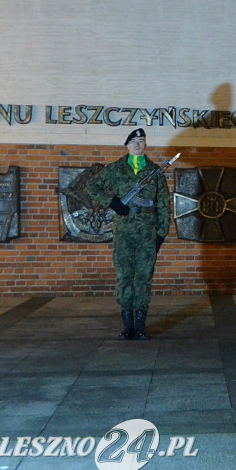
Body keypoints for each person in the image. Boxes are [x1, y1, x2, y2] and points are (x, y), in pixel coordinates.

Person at [87, 128, 171, 340]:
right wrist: (112, 202)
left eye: (141, 140)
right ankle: (128, 326)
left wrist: (161, 233)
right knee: (124, 275)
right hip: (123, 229)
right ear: (126, 145)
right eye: (133, 141)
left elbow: (163, 204)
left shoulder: (155, 172)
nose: (137, 144)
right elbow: (92, 186)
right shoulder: (115, 169)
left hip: (147, 230)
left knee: (144, 276)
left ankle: (141, 325)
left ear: (145, 144)